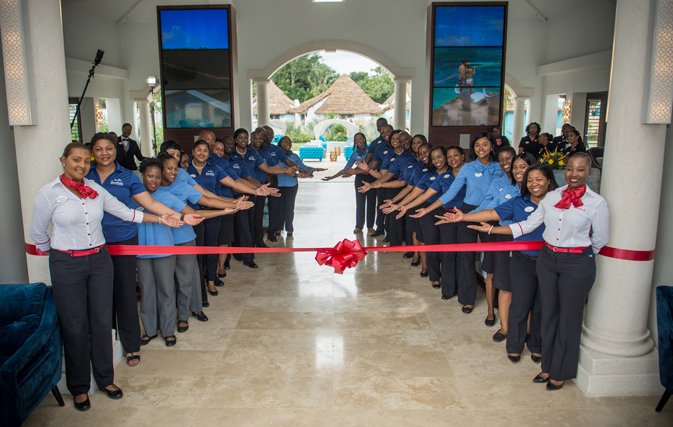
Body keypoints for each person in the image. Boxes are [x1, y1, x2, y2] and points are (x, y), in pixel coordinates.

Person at [29, 142, 183, 411]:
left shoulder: (95, 189)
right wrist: (61, 254)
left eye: (85, 161)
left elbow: (125, 213)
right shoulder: (48, 194)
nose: (81, 165)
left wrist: (161, 219)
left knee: (101, 320)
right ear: (63, 160)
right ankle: (79, 387)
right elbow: (38, 234)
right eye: (75, 160)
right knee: (75, 325)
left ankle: (105, 379)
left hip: (99, 260)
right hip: (67, 263)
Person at [468, 153, 609, 390]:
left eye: (581, 170)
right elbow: (529, 225)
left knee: (568, 318)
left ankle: (560, 371)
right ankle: (547, 365)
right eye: (570, 169)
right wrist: (492, 231)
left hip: (576, 264)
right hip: (547, 259)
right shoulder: (552, 197)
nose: (574, 174)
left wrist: (577, 255)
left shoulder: (597, 202)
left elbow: (600, 239)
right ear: (564, 171)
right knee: (548, 313)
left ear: (588, 173)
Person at [86, 133, 192, 368]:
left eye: (109, 148)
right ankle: (115, 343)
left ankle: (144, 339)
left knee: (134, 295)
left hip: (126, 243)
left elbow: (152, 206)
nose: (104, 153)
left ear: (116, 150)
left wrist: (182, 217)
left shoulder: (127, 179)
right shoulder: (85, 175)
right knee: (119, 295)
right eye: (99, 149)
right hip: (95, 245)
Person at [134, 158, 234, 347]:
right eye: (150, 176)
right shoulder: (134, 196)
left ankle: (169, 329)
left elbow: (195, 210)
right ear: (142, 176)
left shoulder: (168, 198)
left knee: (168, 289)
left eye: (156, 176)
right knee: (147, 291)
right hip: (141, 251)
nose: (153, 180)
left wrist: (226, 210)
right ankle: (149, 330)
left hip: (165, 248)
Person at [410, 132, 505, 313]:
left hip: (492, 213)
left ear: (492, 146)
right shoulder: (467, 168)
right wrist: (427, 209)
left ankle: (497, 300)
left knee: (493, 259)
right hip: (468, 212)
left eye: (485, 144)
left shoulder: (499, 168)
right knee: (465, 257)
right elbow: (450, 193)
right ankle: (467, 298)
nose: (481, 149)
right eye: (477, 145)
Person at [189, 139, 276, 299]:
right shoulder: (184, 168)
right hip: (191, 214)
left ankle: (210, 281)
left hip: (214, 211)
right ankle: (198, 288)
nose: (202, 153)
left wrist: (257, 190)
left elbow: (234, 183)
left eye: (205, 150)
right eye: (199, 149)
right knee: (195, 253)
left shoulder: (214, 167)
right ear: (193, 151)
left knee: (211, 247)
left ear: (209, 154)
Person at [389, 145, 466, 292]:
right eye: (433, 158)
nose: (437, 160)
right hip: (428, 211)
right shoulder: (429, 175)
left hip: (450, 211)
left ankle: (450, 278)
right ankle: (434, 276)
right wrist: (399, 205)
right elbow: (415, 194)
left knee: (447, 247)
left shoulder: (456, 172)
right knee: (431, 243)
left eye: (440, 157)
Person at [324, 133, 374, 234]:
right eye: (356, 140)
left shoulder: (371, 151)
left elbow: (372, 164)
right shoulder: (354, 154)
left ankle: (370, 226)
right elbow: (346, 169)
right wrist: (332, 177)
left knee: (371, 203)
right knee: (360, 203)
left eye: (360, 139)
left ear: (364, 139)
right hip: (360, 178)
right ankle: (359, 226)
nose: (358, 141)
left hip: (372, 177)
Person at [276, 136, 321, 235]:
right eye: (286, 142)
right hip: (278, 184)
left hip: (292, 184)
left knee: (289, 207)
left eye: (290, 142)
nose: (289, 144)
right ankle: (278, 228)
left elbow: (303, 167)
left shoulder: (294, 156)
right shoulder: (275, 155)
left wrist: (316, 169)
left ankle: (289, 229)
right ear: (281, 144)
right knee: (279, 207)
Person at [364, 124, 393, 237]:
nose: (386, 134)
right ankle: (380, 228)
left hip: (396, 179)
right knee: (380, 204)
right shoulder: (380, 147)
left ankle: (390, 232)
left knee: (391, 205)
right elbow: (374, 164)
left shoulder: (397, 147)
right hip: (381, 177)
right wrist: (359, 170)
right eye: (383, 132)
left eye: (388, 132)